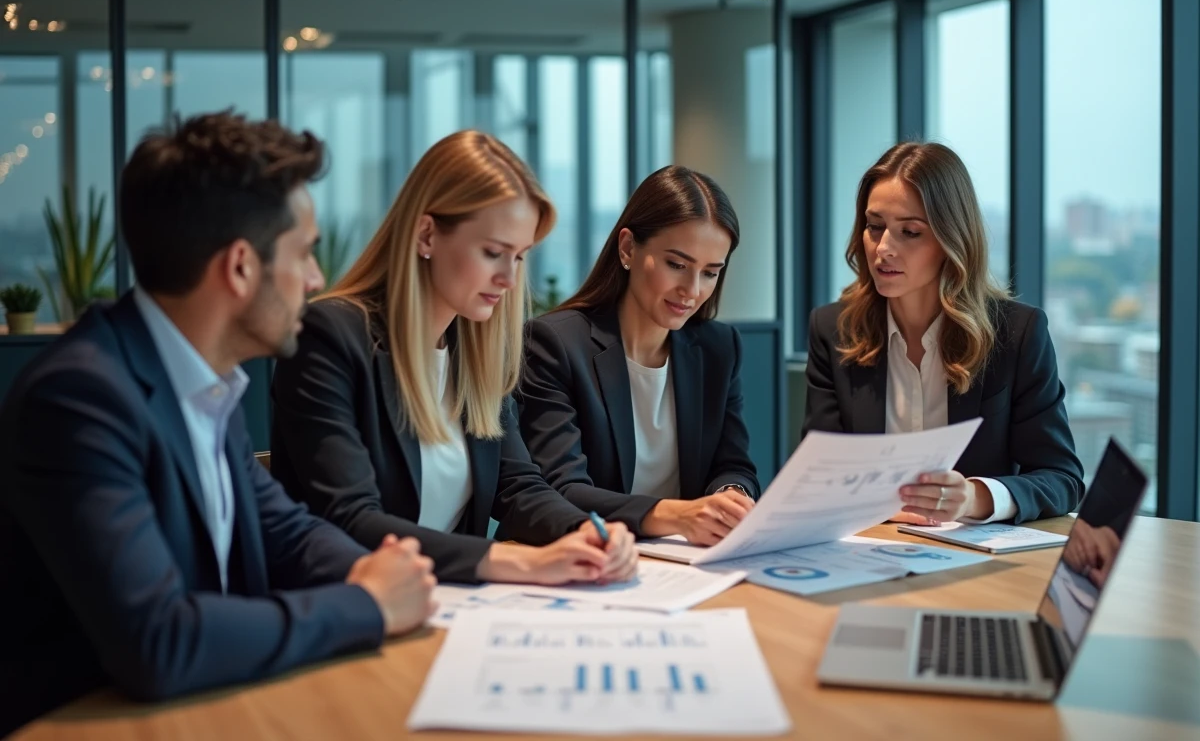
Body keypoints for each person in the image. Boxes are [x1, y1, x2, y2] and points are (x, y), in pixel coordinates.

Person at [0, 112, 435, 736]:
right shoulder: (79, 400)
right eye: (305, 253)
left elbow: (286, 533)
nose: (316, 280)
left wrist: (379, 570)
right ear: (239, 268)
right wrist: (365, 604)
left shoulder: (208, 383)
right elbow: (159, 641)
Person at [269, 130, 637, 585]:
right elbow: (351, 519)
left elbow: (517, 485)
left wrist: (586, 531)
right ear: (427, 234)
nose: (508, 278)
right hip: (354, 611)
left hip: (454, 609)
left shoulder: (475, 348)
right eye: (493, 253)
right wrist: (520, 563)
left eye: (520, 257)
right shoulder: (330, 338)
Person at [803, 141, 1085, 525]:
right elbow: (818, 476)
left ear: (951, 240)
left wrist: (975, 496)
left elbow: (1062, 479)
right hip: (869, 552)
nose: (883, 248)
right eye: (874, 226)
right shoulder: (833, 330)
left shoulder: (1017, 334)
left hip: (972, 563)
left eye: (910, 232)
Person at [517, 165, 759, 547]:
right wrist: (676, 514)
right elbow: (560, 489)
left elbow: (733, 464)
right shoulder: (556, 344)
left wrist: (733, 496)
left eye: (710, 273)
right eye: (676, 265)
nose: (691, 290)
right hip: (589, 557)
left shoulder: (718, 348)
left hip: (685, 565)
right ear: (628, 247)